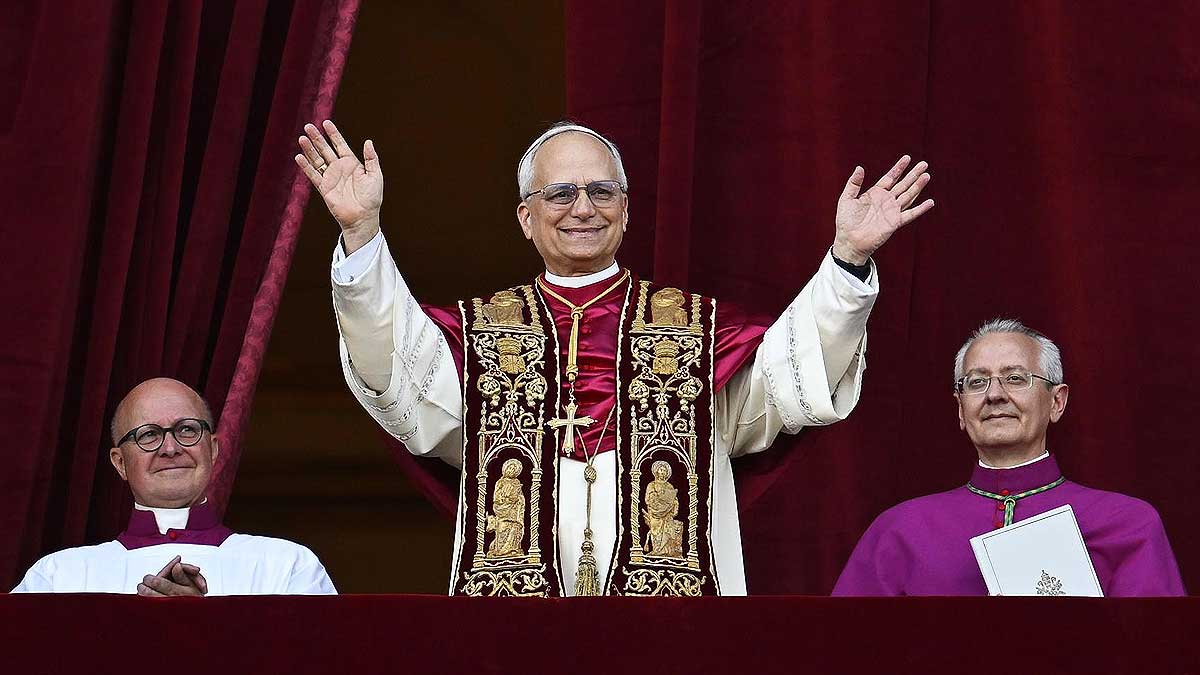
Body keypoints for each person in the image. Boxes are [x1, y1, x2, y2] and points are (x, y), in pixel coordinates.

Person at [296, 119, 934, 596]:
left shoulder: (697, 331)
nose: (583, 208)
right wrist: (361, 234)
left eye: (602, 191)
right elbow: (396, 374)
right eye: (560, 193)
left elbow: (791, 377)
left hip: (670, 631)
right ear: (525, 217)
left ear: (626, 211)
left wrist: (848, 260)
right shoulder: (479, 333)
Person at [832, 319, 1185, 596]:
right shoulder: (900, 530)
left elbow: (1158, 651)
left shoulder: (1127, 525)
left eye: (1015, 378)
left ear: (1057, 401)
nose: (995, 395)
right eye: (976, 382)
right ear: (961, 409)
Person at [12, 378, 336, 595]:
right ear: (120, 462)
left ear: (213, 449)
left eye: (187, 430)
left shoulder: (287, 567)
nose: (170, 448)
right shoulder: (58, 578)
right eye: (149, 434)